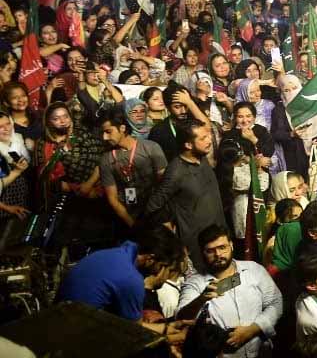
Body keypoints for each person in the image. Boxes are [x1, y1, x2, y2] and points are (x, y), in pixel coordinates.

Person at [176, 224, 283, 358]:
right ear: (202, 252)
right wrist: (201, 299)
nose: (218, 254)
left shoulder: (254, 270)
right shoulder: (194, 283)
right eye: (210, 251)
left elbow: (275, 303)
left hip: (261, 352)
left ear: (231, 245)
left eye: (222, 247)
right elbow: (182, 319)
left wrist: (252, 330)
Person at [57, 225, 184, 325]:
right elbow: (136, 331)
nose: (162, 273)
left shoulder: (112, 254)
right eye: (162, 266)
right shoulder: (131, 278)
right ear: (150, 259)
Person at [144, 119, 225, 271]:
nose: (209, 140)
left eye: (208, 136)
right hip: (198, 248)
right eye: (203, 138)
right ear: (188, 145)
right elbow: (152, 206)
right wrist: (172, 234)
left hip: (218, 237)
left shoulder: (202, 158)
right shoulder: (176, 172)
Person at [97, 104, 167, 230]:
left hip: (156, 213)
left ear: (122, 128)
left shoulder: (151, 148)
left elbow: (165, 185)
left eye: (108, 132)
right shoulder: (106, 159)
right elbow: (112, 199)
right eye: (103, 133)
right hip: (128, 217)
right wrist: (133, 226)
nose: (104, 137)